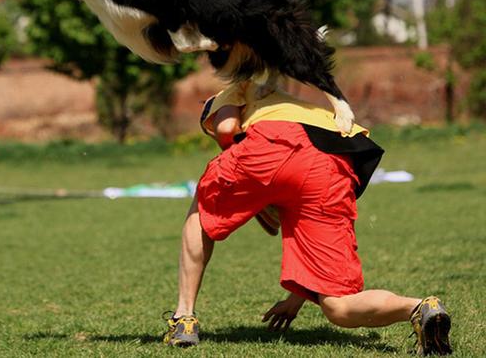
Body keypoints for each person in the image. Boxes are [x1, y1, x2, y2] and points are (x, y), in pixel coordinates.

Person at [163, 80, 452, 355]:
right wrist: (295, 299)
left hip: (272, 145)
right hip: (332, 161)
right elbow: (299, 187)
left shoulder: (234, 89)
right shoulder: (290, 101)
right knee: (339, 305)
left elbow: (227, 128)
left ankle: (184, 317)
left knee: (203, 209)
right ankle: (419, 308)